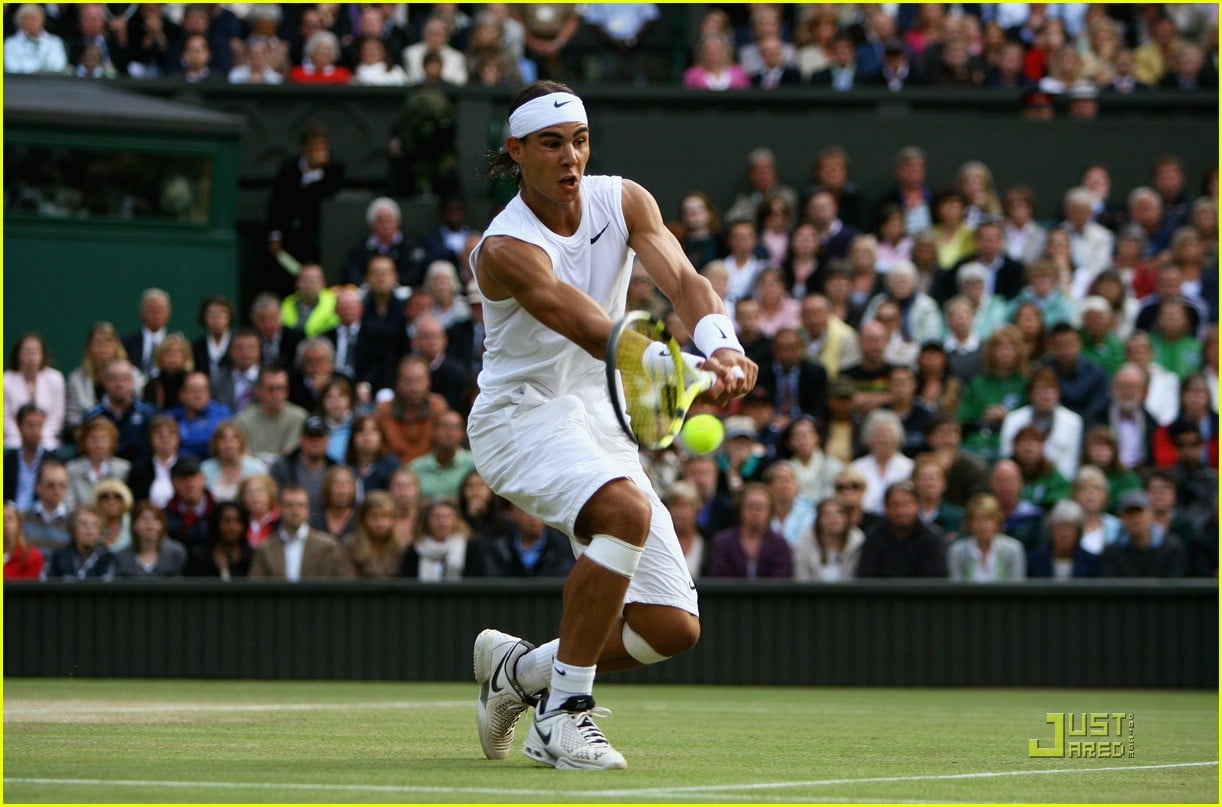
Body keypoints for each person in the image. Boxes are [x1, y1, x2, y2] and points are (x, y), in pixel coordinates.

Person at [466, 81, 756, 770]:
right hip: (520, 419)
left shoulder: (623, 199)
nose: (571, 157)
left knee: (669, 626)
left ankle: (517, 673)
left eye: (580, 140)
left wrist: (721, 343)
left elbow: (684, 280)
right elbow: (578, 317)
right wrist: (667, 362)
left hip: (599, 416)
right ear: (516, 152)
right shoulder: (504, 247)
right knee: (622, 509)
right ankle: (561, 718)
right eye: (551, 144)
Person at [264, 123, 345, 297]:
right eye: (313, 147)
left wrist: (318, 173)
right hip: (288, 235)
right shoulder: (288, 168)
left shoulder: (334, 168)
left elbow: (326, 197)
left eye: (321, 147)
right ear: (304, 149)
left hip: (316, 236)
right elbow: (276, 202)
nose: (318, 151)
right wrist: (275, 235)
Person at [998, 367, 1084, 481]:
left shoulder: (1073, 422)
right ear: (1030, 394)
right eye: (1040, 390)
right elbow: (1006, 458)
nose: (1045, 396)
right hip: (1019, 482)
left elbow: (1069, 467)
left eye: (1051, 390)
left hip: (1056, 484)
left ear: (1058, 393)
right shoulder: (1012, 419)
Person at [465, 498, 576, 578]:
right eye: (526, 512)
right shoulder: (499, 548)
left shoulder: (562, 546)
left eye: (538, 511)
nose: (533, 518)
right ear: (513, 514)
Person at [855, 481, 948, 578]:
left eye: (907, 504)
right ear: (886, 508)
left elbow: (936, 580)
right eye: (895, 505)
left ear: (917, 506)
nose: (901, 511)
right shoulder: (874, 536)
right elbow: (866, 577)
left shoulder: (932, 538)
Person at [249, 484, 339, 580]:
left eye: (301, 505)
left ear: (308, 509)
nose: (295, 510)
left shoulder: (327, 546)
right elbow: (256, 587)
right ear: (280, 509)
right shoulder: (265, 548)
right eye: (289, 505)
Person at [66, 322, 143, 434]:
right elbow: (74, 422)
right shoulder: (77, 380)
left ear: (117, 345)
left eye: (108, 341)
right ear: (89, 347)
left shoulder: (133, 374)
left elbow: (140, 409)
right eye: (98, 342)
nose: (103, 347)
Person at [708, 483, 792, 579]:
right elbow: (720, 578)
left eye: (761, 507)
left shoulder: (780, 544)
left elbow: (781, 581)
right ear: (740, 509)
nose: (756, 512)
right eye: (751, 506)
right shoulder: (722, 542)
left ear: (770, 511)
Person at [269, 416, 339, 526]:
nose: (315, 442)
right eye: (311, 437)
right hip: (289, 524)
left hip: (326, 527)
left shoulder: (336, 469)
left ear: (327, 440)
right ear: (302, 439)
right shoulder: (282, 467)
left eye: (320, 437)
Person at [1101, 490, 1186, 577]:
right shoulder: (1113, 551)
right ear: (1122, 518)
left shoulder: (1172, 548)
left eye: (1139, 512)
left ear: (1151, 515)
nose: (1135, 519)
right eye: (1129, 514)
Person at [235, 367, 309, 466]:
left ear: (287, 391)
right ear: (258, 391)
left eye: (281, 388)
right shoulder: (242, 420)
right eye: (270, 389)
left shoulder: (300, 418)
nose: (276, 394)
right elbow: (245, 457)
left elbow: (291, 455)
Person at [4, 333, 65, 452]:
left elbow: (57, 416)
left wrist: (40, 436)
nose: (31, 357)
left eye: (35, 352)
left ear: (42, 355)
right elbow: (4, 417)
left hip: (47, 440)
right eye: (27, 352)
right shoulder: (5, 380)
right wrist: (21, 438)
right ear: (18, 355)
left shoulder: (55, 379)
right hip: (13, 440)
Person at [947, 493, 1027, 581]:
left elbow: (1016, 587)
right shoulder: (957, 551)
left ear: (997, 521)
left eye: (988, 520)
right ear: (969, 523)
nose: (983, 526)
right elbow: (956, 589)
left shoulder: (1013, 549)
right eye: (978, 520)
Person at [849, 410, 914, 515]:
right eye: (878, 434)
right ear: (868, 438)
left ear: (897, 438)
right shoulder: (856, 467)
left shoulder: (910, 467)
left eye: (887, 434)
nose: (883, 439)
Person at [64, 418, 130, 512]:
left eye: (104, 439)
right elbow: (69, 503)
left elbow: (125, 503)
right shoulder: (71, 469)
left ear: (112, 442)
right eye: (93, 439)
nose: (99, 444)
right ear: (84, 441)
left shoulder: (124, 468)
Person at [337, 490, 406, 579]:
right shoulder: (350, 546)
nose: (380, 523)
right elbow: (347, 582)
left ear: (393, 519)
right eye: (374, 517)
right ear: (363, 519)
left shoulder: (402, 547)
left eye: (385, 516)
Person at [1026, 500, 1102, 579]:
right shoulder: (1033, 561)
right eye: (1060, 528)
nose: (1064, 534)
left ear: (1078, 532)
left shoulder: (1092, 562)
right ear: (1051, 531)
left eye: (1069, 529)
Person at [792, 498, 864, 581]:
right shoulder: (804, 543)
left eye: (840, 513)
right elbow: (801, 578)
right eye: (827, 514)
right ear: (819, 519)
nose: (834, 518)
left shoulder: (858, 542)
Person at [168, 372, 232, 461]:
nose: (198, 395)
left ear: (209, 394)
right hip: (179, 467)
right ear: (182, 394)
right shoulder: (170, 416)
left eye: (203, 390)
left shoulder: (221, 414)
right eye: (193, 390)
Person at [113, 501, 187, 578]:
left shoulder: (176, 554)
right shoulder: (121, 557)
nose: (149, 523)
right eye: (144, 519)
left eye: (155, 519)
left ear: (162, 525)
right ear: (134, 525)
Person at [186, 500, 252, 579]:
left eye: (238, 521)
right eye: (227, 521)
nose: (232, 527)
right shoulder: (200, 556)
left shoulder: (250, 557)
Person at [45, 505, 114, 581]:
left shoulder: (108, 558)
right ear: (73, 529)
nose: (90, 531)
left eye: (95, 525)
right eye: (84, 524)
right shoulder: (59, 557)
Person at [21, 459, 71, 553]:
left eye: (62, 485)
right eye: (51, 485)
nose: (57, 491)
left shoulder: (73, 520)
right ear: (38, 487)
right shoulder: (23, 518)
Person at [120, 288, 172, 378]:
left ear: (168, 313)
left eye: (160, 310)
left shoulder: (176, 343)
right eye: (151, 310)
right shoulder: (127, 343)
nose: (156, 315)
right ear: (141, 312)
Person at [5, 405, 48, 512]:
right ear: (19, 426)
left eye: (39, 425)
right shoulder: (7, 461)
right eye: (30, 425)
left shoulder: (52, 460)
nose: (35, 431)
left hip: (39, 519)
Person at [211, 329, 262, 415]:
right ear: (230, 351)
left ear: (259, 351)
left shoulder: (269, 378)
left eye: (251, 347)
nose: (245, 352)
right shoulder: (216, 380)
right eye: (239, 348)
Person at [191, 296, 235, 383]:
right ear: (204, 317)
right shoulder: (196, 346)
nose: (217, 319)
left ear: (229, 317)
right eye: (211, 314)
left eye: (222, 314)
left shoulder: (238, 343)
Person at [237, 473, 279, 549]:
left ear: (270, 494)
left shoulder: (281, 520)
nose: (254, 496)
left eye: (259, 491)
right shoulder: (239, 521)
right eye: (248, 492)